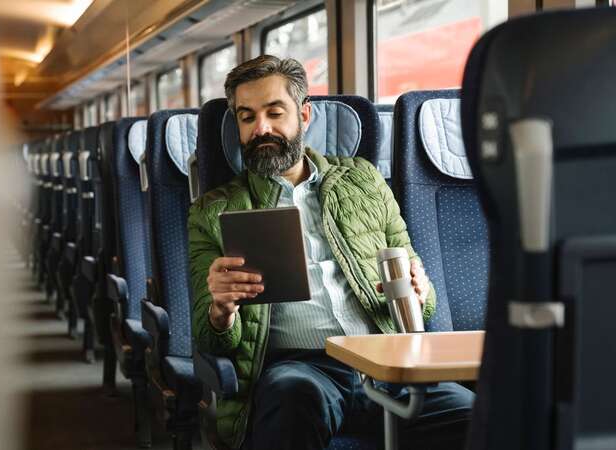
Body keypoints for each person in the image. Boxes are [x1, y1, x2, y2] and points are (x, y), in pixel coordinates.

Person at [187, 55, 474, 450]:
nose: (261, 128)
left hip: (384, 361)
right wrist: (221, 310)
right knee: (291, 400)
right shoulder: (213, 211)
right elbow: (208, 337)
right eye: (247, 117)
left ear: (304, 116)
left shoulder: (364, 180)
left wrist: (419, 289)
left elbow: (421, 303)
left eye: (275, 112)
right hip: (301, 368)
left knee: (480, 416)